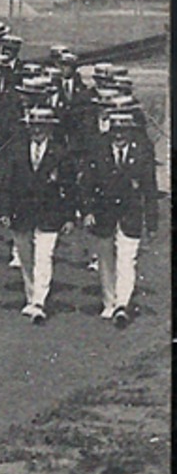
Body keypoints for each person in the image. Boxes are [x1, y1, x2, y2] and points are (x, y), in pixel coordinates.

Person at [0, 107, 77, 325]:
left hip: (49, 214)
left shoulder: (60, 153)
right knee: (25, 257)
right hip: (21, 212)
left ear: (50, 128)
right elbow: (6, 183)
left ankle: (40, 300)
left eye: (42, 126)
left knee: (44, 256)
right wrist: (3, 211)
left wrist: (69, 217)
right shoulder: (16, 150)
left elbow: (69, 188)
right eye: (33, 126)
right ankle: (31, 296)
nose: (37, 130)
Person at [79, 110, 159, 327]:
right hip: (103, 214)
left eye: (123, 131)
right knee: (106, 259)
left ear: (131, 132)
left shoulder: (142, 152)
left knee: (127, 258)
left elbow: (150, 188)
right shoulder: (98, 149)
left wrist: (152, 222)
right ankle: (109, 302)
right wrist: (87, 211)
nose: (119, 136)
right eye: (115, 130)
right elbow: (87, 183)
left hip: (130, 214)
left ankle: (122, 303)